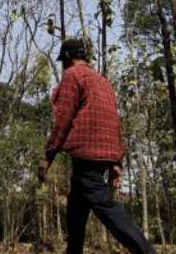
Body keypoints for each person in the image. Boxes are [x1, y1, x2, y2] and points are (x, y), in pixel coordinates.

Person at [38, 37, 155, 254]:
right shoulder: (102, 81)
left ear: (68, 57)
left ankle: (145, 251)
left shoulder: (72, 75)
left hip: (87, 152)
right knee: (76, 207)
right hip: (105, 152)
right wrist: (116, 162)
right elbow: (114, 121)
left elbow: (63, 119)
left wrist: (48, 156)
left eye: (63, 61)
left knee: (104, 206)